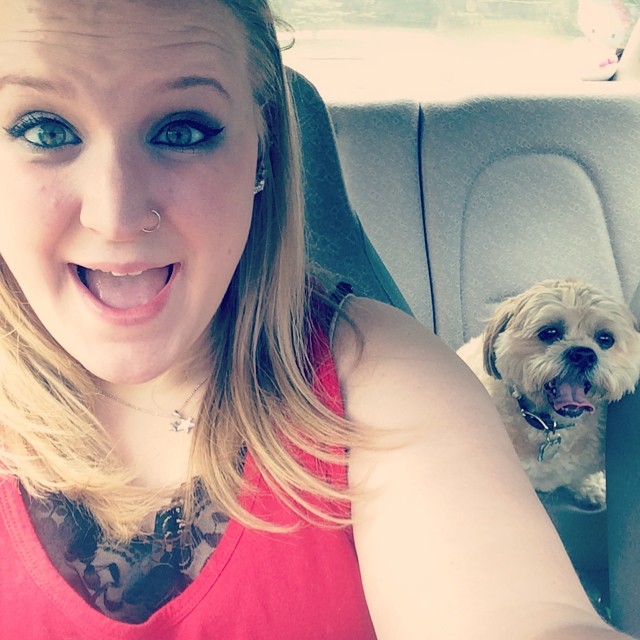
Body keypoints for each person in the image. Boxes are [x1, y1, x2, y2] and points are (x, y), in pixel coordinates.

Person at [0, 0, 634, 638]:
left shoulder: (386, 378)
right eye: (44, 130)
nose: (115, 216)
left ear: (263, 153)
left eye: (183, 131)